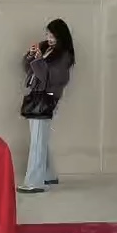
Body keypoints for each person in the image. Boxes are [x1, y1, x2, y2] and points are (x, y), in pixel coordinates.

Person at [17, 18, 75, 194]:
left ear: (60, 36)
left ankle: (35, 181)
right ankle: (49, 174)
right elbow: (29, 69)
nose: (48, 38)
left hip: (47, 98)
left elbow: (49, 78)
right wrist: (31, 56)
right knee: (40, 138)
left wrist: (39, 60)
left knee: (38, 140)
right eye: (47, 34)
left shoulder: (64, 55)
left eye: (52, 35)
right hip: (38, 96)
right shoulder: (46, 48)